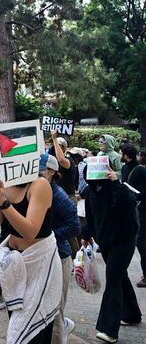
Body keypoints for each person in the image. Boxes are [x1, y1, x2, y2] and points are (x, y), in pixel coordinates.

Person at [0, 166, 62, 343]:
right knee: (17, 318)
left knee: (33, 331)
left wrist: (3, 202)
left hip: (38, 263)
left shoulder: (39, 185)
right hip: (15, 265)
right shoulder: (5, 184)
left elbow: (30, 231)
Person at [82, 162, 141, 343]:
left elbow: (130, 203)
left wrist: (116, 182)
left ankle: (109, 329)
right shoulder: (91, 191)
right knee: (120, 276)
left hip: (124, 241)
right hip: (106, 242)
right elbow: (90, 215)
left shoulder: (118, 188)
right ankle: (131, 314)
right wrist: (86, 235)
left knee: (113, 280)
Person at [38, 153, 81, 343]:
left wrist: (48, 235)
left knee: (55, 310)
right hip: (44, 256)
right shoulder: (40, 191)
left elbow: (74, 226)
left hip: (60, 257)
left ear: (51, 172)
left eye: (39, 172)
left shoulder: (59, 196)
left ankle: (60, 333)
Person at [119, 143, 146, 288]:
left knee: (142, 244)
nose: (119, 155)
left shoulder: (141, 171)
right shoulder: (124, 168)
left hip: (142, 212)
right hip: (129, 213)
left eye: (120, 153)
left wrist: (135, 196)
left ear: (125, 155)